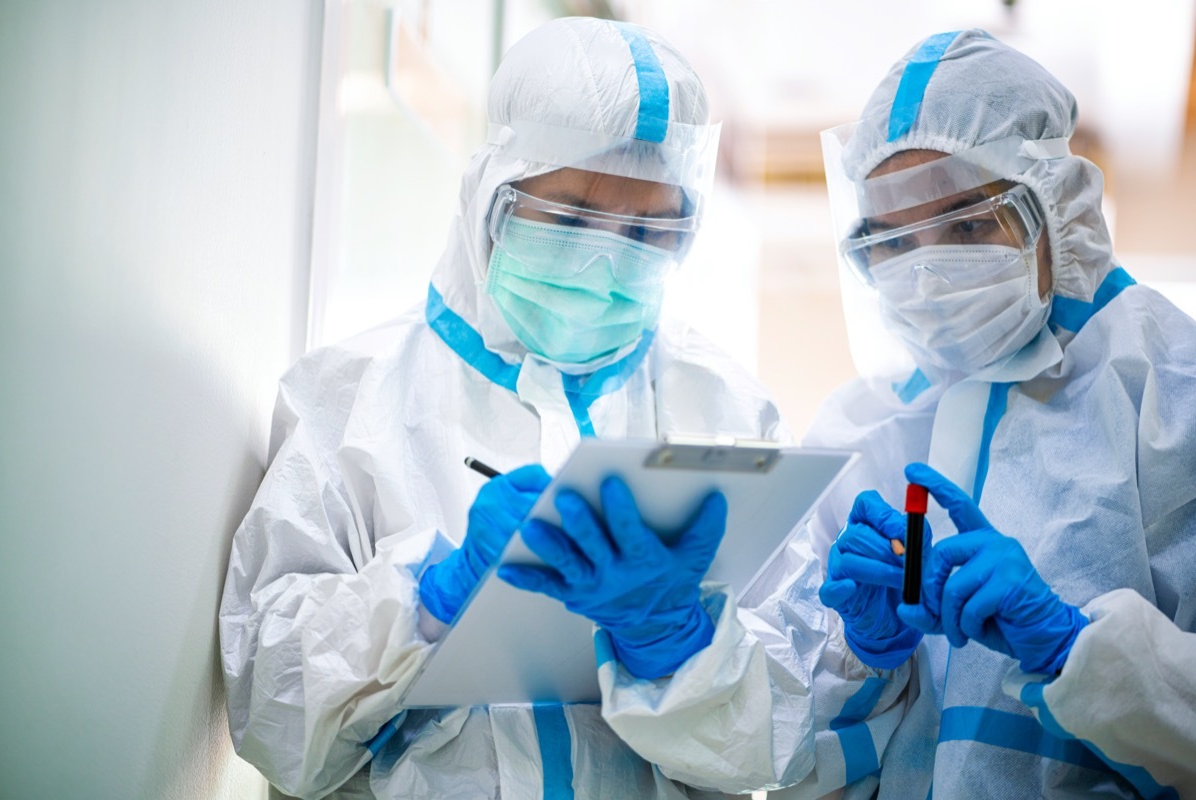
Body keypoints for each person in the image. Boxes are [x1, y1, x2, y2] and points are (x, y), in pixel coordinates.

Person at [219, 16, 901, 800]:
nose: (609, 253)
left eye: (648, 228)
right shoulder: (347, 398)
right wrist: (427, 600)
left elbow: (778, 743)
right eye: (574, 215)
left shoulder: (725, 408)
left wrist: (674, 646)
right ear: (492, 193)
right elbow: (272, 714)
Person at [800, 29, 1196, 798]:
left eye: (969, 226)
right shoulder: (859, 435)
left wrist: (1072, 646)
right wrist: (863, 662)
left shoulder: (1166, 389)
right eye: (893, 242)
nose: (928, 276)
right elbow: (792, 759)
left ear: (1057, 207)